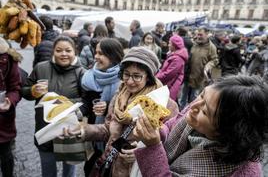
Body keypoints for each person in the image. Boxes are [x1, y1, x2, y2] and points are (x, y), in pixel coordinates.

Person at [62, 46, 180, 176]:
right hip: (111, 164)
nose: (129, 81)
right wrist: (83, 130)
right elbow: (108, 130)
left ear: (149, 77)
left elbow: (170, 145)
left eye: (137, 76)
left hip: (136, 171)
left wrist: (142, 152)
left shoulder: (164, 104)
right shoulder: (120, 96)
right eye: (126, 74)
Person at [133, 75, 268, 176]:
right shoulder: (194, 111)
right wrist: (154, 131)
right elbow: (170, 126)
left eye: (205, 111)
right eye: (201, 95)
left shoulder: (241, 172)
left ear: (227, 131)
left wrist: (152, 147)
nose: (194, 106)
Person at [21, 35, 89, 177]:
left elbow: (87, 102)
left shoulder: (81, 73)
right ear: (53, 52)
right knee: (48, 172)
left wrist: (72, 110)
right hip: (45, 129)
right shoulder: (41, 68)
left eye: (68, 50)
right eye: (59, 50)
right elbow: (24, 90)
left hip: (69, 131)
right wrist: (32, 91)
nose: (63, 54)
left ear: (74, 52)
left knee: (69, 173)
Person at [81, 38, 124, 176]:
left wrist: (108, 109)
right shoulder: (90, 76)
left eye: (101, 53)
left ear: (113, 56)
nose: (96, 56)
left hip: (113, 139)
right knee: (89, 169)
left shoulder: (124, 80)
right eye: (96, 52)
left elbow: (125, 114)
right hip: (92, 135)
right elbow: (86, 103)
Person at [179, 27, 218, 109]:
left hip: (199, 77)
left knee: (194, 98)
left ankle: (189, 114)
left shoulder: (212, 47)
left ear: (207, 34)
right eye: (197, 34)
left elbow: (215, 60)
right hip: (188, 75)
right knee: (183, 97)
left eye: (200, 34)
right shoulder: (193, 43)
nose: (198, 36)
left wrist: (208, 66)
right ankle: (180, 114)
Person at [0, 37, 22, 177]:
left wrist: (10, 100)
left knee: (6, 156)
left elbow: (15, 88)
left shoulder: (7, 56)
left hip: (2, 119)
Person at [156, 35, 188, 101]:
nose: (168, 45)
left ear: (175, 45)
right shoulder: (175, 55)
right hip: (168, 85)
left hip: (170, 86)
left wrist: (155, 77)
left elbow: (169, 74)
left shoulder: (178, 58)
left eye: (170, 43)